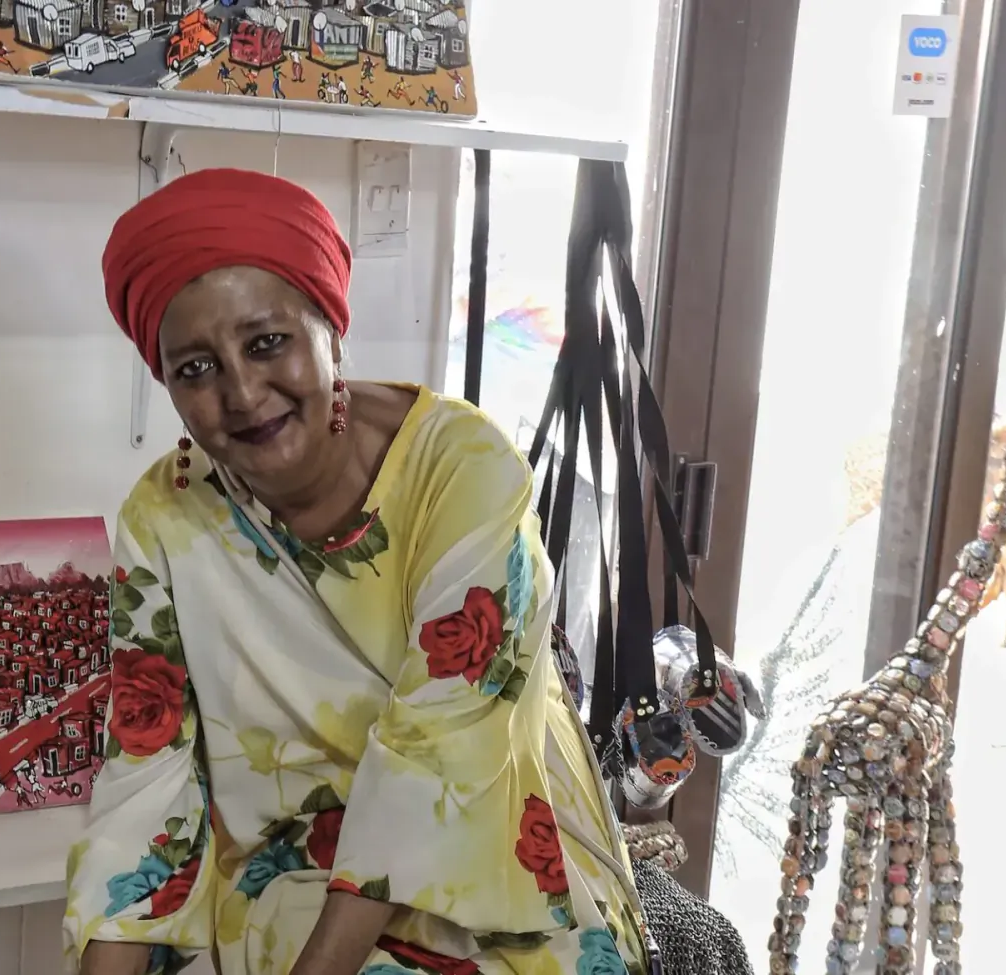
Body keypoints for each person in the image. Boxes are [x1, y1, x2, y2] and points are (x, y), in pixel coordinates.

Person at [64, 169, 651, 975]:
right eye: (194, 369)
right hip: (287, 870)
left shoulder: (463, 472)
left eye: (267, 342)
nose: (241, 393)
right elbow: (149, 773)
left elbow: (437, 756)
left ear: (330, 330)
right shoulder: (166, 517)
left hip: (489, 856)